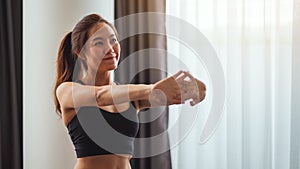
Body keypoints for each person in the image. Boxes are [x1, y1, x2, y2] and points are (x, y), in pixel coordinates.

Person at [53, 13, 206, 169]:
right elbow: (100, 96)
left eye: (113, 40)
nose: (110, 48)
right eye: (99, 43)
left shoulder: (130, 96)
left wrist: (197, 88)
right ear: (80, 52)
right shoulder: (67, 90)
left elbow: (179, 92)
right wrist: (151, 89)